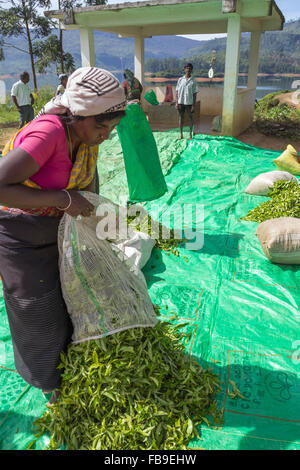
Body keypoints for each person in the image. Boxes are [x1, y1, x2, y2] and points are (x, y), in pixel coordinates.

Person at [0, 67, 126, 403]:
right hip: (20, 233)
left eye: (112, 128)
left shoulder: (85, 138)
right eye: (102, 125)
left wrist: (97, 223)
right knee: (37, 308)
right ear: (77, 114)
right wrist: (62, 199)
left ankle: (70, 364)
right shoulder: (48, 134)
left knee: (68, 297)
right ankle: (47, 383)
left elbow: (87, 184)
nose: (106, 135)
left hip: (56, 227)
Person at [176, 63, 198, 140]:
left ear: (191, 70)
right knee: (181, 118)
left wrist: (193, 105)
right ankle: (181, 135)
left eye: (189, 68)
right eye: (187, 68)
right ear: (184, 69)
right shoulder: (180, 80)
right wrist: (177, 102)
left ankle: (190, 135)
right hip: (181, 102)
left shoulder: (194, 81)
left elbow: (195, 94)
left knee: (190, 118)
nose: (188, 69)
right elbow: (177, 91)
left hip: (189, 103)